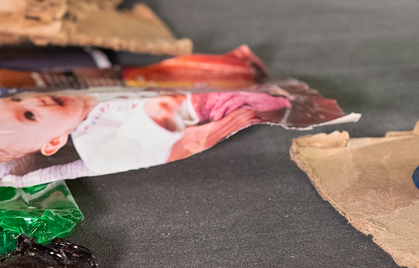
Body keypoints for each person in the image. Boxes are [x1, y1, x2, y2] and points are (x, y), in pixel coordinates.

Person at [0, 90, 291, 175]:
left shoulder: (79, 89)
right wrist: (155, 116)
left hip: (178, 85)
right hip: (195, 106)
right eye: (29, 114)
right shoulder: (90, 139)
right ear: (54, 141)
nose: (31, 101)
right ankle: (276, 100)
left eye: (17, 99)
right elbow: (128, 149)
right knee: (239, 101)